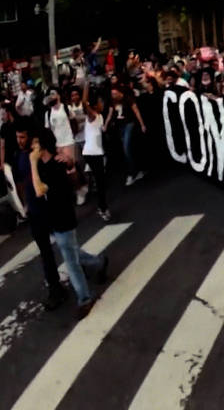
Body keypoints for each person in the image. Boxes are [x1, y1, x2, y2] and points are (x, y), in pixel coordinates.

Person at [30, 128, 107, 319]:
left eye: (35, 143)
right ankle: (99, 262)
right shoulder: (43, 164)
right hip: (51, 218)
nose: (32, 147)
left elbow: (39, 190)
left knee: (71, 261)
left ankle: (85, 299)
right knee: (72, 252)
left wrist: (33, 163)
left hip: (63, 217)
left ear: (43, 145)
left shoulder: (55, 165)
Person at [14, 119, 67, 310]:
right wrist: (24, 204)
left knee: (67, 246)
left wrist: (67, 160)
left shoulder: (40, 155)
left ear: (30, 136)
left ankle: (95, 262)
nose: (19, 140)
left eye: (22, 137)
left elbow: (55, 174)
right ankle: (55, 289)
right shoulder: (21, 156)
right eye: (17, 137)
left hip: (49, 209)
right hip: (34, 213)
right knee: (46, 252)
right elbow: (21, 181)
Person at [104, 85, 147, 186]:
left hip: (129, 124)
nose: (113, 96)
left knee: (126, 148)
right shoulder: (113, 102)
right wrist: (105, 125)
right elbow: (110, 115)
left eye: (115, 94)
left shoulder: (127, 99)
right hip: (120, 126)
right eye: (112, 94)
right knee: (128, 150)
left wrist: (142, 124)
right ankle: (137, 170)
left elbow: (136, 112)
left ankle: (132, 173)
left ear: (119, 92)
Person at [82, 82, 110, 221]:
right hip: (91, 153)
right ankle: (103, 208)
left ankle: (102, 206)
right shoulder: (92, 115)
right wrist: (86, 87)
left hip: (97, 152)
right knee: (101, 182)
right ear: (94, 105)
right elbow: (83, 102)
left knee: (101, 181)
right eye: (100, 102)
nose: (102, 104)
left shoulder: (100, 116)